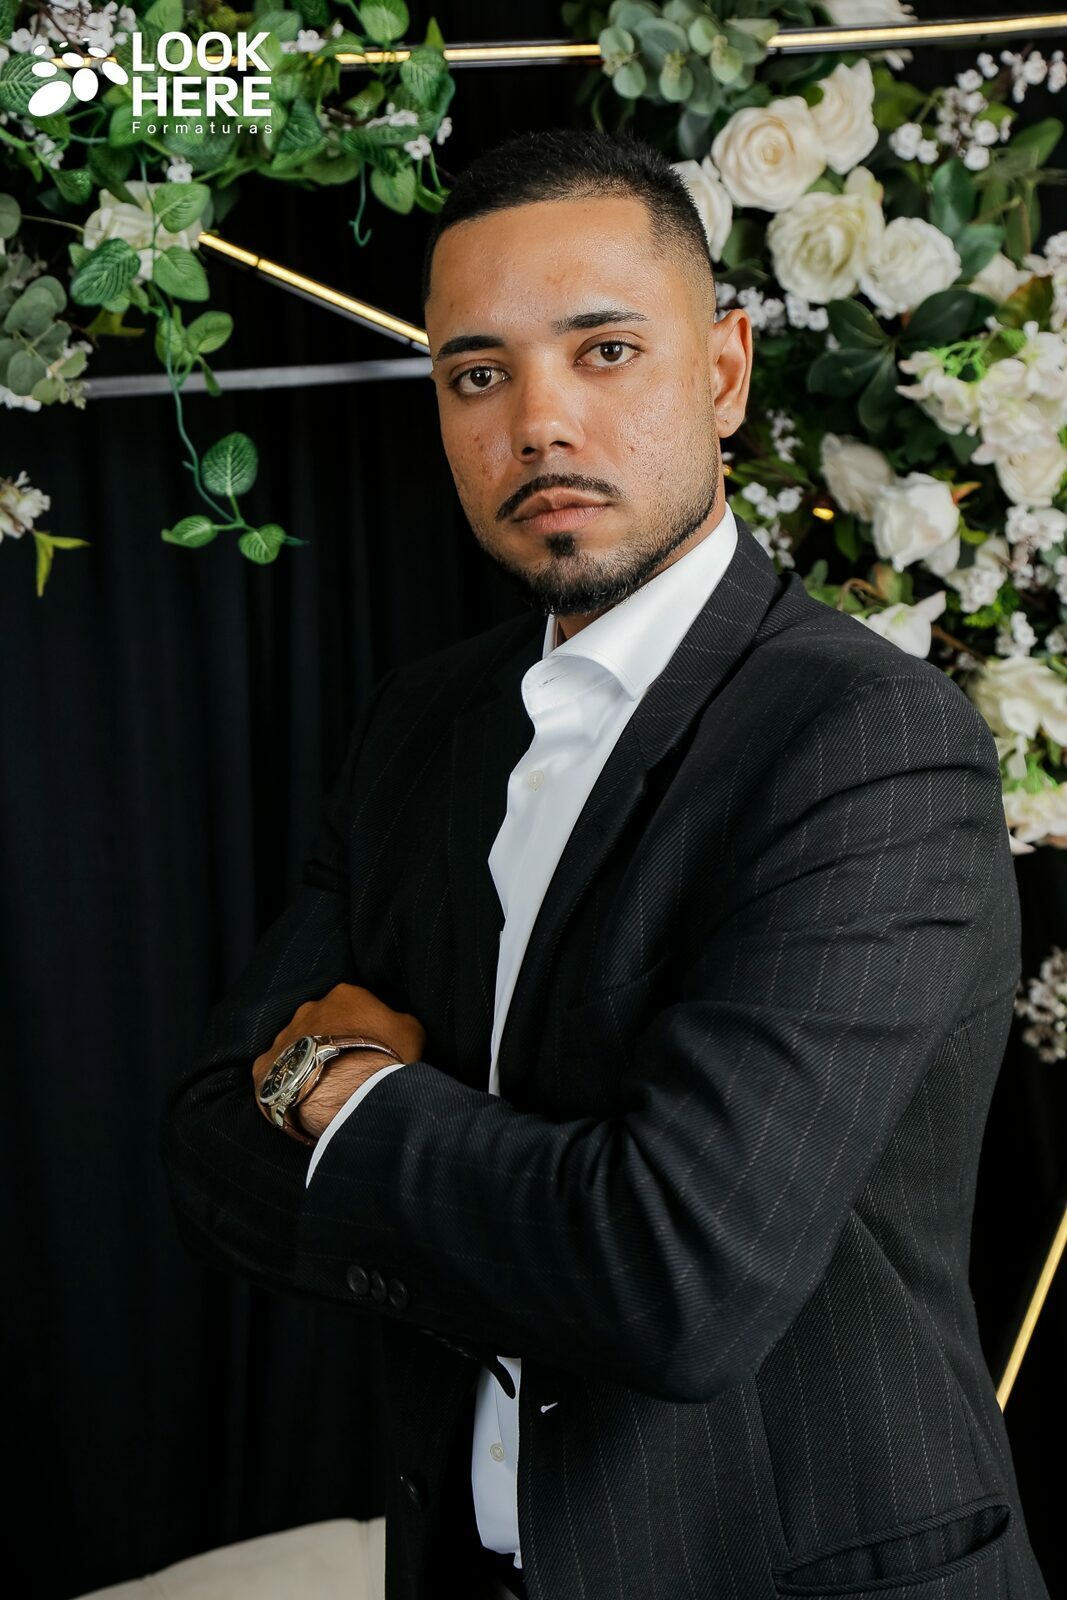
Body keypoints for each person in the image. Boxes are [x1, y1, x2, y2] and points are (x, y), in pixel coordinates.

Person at [161, 128, 1050, 1600]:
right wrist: (512, 1187)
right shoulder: (421, 724)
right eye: (477, 374)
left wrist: (335, 1091)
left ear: (724, 371)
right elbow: (207, 1150)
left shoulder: (867, 741)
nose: (540, 424)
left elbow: (675, 1281)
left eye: (607, 351)